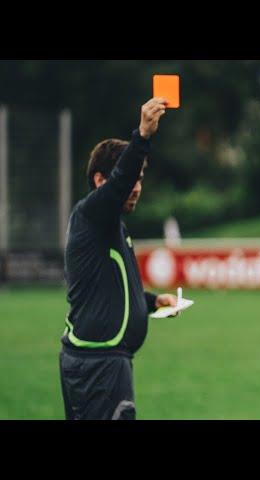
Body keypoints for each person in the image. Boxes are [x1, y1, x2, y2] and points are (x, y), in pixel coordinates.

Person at [59, 97, 178, 420]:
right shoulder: (92, 213)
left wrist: (153, 302)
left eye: (140, 179)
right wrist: (142, 135)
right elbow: (119, 183)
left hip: (105, 363)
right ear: (100, 181)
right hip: (98, 367)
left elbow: (114, 290)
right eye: (131, 179)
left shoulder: (108, 225)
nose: (136, 187)